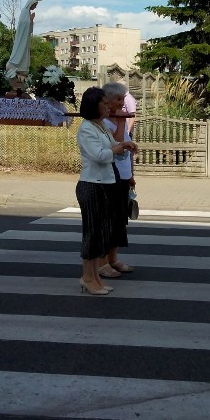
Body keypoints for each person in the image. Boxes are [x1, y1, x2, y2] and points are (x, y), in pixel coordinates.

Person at [75, 87, 132, 295]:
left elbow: (113, 145)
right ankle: (87, 277)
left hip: (105, 184)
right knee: (91, 233)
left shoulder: (101, 127)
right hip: (91, 184)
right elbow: (99, 155)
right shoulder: (87, 128)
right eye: (105, 104)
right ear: (94, 106)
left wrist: (124, 145)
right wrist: (116, 149)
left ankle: (95, 277)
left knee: (101, 233)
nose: (109, 107)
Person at [99, 82, 138, 279]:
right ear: (108, 100)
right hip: (108, 176)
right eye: (119, 99)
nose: (123, 104)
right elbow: (114, 146)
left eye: (123, 99)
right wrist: (122, 121)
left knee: (120, 220)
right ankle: (103, 262)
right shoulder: (105, 122)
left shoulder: (118, 117)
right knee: (109, 220)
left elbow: (126, 150)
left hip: (122, 175)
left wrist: (130, 175)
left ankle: (114, 258)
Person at [6, 0, 43, 92]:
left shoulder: (27, 13)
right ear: (31, 4)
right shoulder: (24, 12)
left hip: (25, 39)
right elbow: (23, 24)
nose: (35, 7)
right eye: (35, 5)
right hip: (21, 38)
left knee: (25, 52)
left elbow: (29, 29)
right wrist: (30, 19)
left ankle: (22, 67)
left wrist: (31, 21)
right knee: (19, 50)